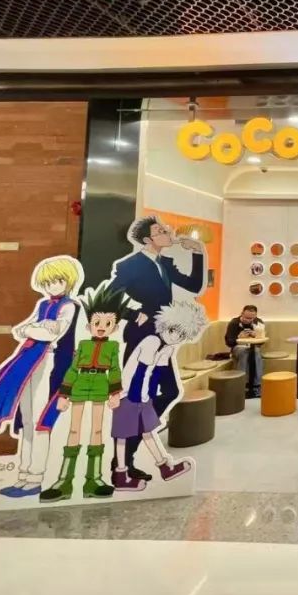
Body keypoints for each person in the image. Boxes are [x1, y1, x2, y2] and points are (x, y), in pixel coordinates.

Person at [0, 256, 81, 498]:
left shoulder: (70, 306)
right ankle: (24, 475)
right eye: (48, 283)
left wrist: (35, 330)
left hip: (50, 363)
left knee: (40, 422)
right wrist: (35, 328)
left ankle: (36, 477)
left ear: (68, 281)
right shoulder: (43, 305)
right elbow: (21, 329)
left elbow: (52, 333)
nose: (52, 286)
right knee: (27, 420)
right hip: (29, 361)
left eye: (57, 281)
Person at [110, 215, 205, 481]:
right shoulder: (131, 265)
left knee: (168, 391)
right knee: (134, 398)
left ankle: (131, 448)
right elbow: (108, 296)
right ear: (147, 239)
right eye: (160, 231)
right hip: (142, 337)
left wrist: (198, 253)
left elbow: (194, 285)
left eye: (165, 229)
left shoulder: (164, 263)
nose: (167, 232)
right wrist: (132, 314)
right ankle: (123, 463)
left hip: (163, 337)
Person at [40, 283, 132, 502]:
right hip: (80, 384)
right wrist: (64, 395)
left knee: (97, 430)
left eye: (108, 323)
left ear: (114, 327)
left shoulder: (112, 347)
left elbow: (115, 369)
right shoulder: (82, 345)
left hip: (101, 385)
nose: (101, 327)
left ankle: (94, 479)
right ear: (89, 324)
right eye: (97, 322)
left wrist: (115, 393)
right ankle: (64, 481)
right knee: (74, 430)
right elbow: (73, 369)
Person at [112, 300, 205, 490]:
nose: (175, 337)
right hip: (129, 394)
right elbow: (139, 374)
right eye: (173, 331)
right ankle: (120, 472)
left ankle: (164, 467)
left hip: (143, 396)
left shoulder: (167, 348)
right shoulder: (152, 341)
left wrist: (148, 400)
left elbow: (155, 376)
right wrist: (140, 401)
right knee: (123, 435)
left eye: (181, 335)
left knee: (147, 432)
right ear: (165, 325)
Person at [226, 304, 265, 397]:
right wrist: (238, 338)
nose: (248, 320)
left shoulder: (258, 323)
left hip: (253, 347)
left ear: (255, 316)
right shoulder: (234, 323)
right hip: (237, 348)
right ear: (242, 313)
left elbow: (261, 342)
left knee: (256, 352)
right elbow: (228, 342)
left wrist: (257, 335)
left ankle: (257, 385)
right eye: (246, 317)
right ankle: (241, 385)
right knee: (245, 352)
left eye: (251, 318)